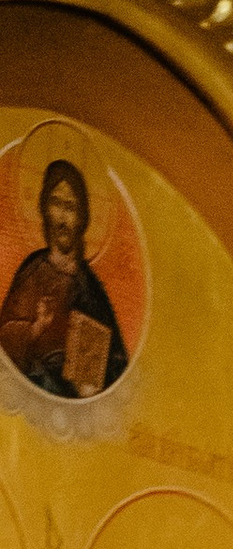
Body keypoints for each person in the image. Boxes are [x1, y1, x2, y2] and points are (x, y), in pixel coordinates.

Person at [0, 161, 130, 399]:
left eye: (70, 207)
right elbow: (5, 338)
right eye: (56, 203)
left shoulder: (88, 288)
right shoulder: (32, 268)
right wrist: (36, 327)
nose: (62, 218)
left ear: (82, 218)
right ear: (44, 208)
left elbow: (98, 379)